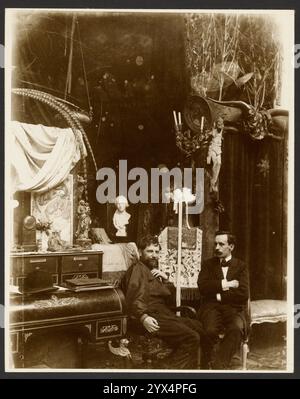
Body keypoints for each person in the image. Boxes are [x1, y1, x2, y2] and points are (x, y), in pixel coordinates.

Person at [121, 234, 203, 369]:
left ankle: (170, 365)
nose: (154, 255)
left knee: (198, 326)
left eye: (157, 251)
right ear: (140, 252)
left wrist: (165, 279)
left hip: (164, 313)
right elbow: (134, 297)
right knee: (192, 337)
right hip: (150, 316)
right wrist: (143, 317)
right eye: (150, 251)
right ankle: (169, 370)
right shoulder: (138, 269)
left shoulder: (151, 271)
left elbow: (168, 297)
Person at [197, 231, 249, 369]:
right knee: (209, 331)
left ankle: (218, 366)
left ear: (231, 246)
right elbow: (203, 287)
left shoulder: (241, 266)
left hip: (233, 308)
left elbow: (243, 294)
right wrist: (227, 284)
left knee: (236, 329)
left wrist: (218, 294)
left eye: (221, 244)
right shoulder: (208, 264)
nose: (217, 248)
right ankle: (208, 362)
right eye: (215, 244)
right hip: (211, 307)